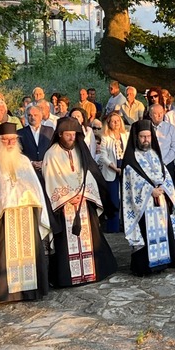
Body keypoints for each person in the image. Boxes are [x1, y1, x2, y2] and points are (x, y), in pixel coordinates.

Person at [0, 123, 50, 302]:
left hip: (25, 216)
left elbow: (35, 188)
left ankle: (29, 291)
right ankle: (4, 293)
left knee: (29, 254)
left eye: (12, 140)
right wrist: (1, 202)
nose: (9, 143)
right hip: (1, 220)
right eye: (5, 140)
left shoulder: (24, 161)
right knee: (3, 257)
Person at [42, 117, 119, 286]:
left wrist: (83, 194)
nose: (71, 138)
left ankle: (92, 273)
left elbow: (89, 174)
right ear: (60, 134)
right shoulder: (51, 154)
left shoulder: (80, 151)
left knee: (91, 239)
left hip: (84, 201)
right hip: (63, 207)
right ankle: (67, 278)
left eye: (74, 134)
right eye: (67, 135)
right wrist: (70, 197)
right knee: (64, 244)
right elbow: (52, 179)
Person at [121, 120, 175, 275]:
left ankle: (162, 263)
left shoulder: (155, 154)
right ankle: (145, 267)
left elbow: (165, 174)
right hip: (143, 205)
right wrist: (149, 190)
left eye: (148, 136)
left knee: (162, 231)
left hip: (160, 201)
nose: (146, 140)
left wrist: (164, 188)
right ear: (136, 137)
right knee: (146, 234)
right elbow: (131, 178)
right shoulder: (131, 157)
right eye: (142, 137)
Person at [97, 113, 129, 232]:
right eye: (113, 121)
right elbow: (103, 156)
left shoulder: (125, 135)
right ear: (109, 123)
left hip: (124, 167)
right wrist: (114, 168)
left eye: (117, 121)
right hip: (111, 169)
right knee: (113, 199)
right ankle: (113, 227)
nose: (116, 123)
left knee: (125, 198)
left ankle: (126, 225)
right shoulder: (105, 137)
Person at [17, 103, 54, 180]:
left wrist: (44, 163)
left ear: (41, 116)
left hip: (47, 172)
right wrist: (31, 163)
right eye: (29, 115)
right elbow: (19, 153)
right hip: (29, 172)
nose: (32, 117)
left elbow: (53, 150)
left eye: (35, 115)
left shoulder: (50, 131)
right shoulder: (20, 133)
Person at [149, 103, 175, 184]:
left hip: (167, 164)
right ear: (150, 115)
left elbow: (174, 147)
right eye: (156, 113)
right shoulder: (147, 128)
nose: (159, 116)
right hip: (150, 166)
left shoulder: (170, 128)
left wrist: (164, 162)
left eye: (161, 113)